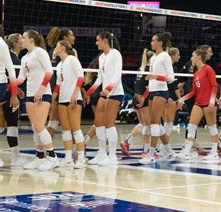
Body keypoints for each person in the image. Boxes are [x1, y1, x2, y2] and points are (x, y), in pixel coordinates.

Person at [18, 30, 58, 170]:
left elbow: (49, 71)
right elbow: (21, 78)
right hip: (30, 94)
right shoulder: (24, 58)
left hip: (42, 93)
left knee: (40, 126)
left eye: (23, 37)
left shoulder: (40, 52)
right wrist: (9, 84)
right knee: (35, 127)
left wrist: (41, 89)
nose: (21, 40)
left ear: (31, 39)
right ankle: (40, 157)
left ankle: (52, 157)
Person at [85, 32, 124, 166]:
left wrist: (108, 88)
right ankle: (101, 153)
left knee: (109, 123)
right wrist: (89, 91)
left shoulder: (116, 54)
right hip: (105, 93)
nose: (96, 43)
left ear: (105, 41)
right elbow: (100, 78)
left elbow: (118, 75)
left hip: (115, 93)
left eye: (98, 40)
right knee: (99, 122)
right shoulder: (102, 57)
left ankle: (112, 156)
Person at [139, 32, 175, 164]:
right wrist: (144, 95)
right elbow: (151, 79)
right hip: (152, 91)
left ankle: (151, 154)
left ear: (160, 43)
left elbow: (171, 78)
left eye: (153, 41)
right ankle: (169, 151)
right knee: (157, 125)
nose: (151, 43)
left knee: (154, 123)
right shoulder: (153, 57)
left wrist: (157, 77)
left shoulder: (165, 56)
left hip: (161, 91)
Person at [177, 49, 219, 160]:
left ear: (199, 57)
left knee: (212, 127)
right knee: (191, 126)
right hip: (198, 102)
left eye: (193, 56)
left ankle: (214, 152)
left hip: (209, 103)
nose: (191, 58)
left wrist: (211, 101)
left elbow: (214, 86)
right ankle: (186, 151)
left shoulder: (208, 69)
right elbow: (194, 92)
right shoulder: (195, 73)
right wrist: (182, 99)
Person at [53, 40, 86, 168]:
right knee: (65, 130)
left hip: (74, 99)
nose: (54, 48)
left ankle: (81, 158)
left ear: (62, 48)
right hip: (62, 99)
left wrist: (75, 94)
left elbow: (81, 77)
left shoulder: (72, 59)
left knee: (76, 129)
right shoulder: (59, 65)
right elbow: (58, 85)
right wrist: (52, 99)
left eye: (56, 46)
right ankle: (68, 159)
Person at [120, 49, 154, 156]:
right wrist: (143, 98)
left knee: (143, 124)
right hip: (143, 99)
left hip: (136, 98)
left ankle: (127, 141)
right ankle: (146, 150)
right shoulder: (150, 69)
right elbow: (149, 87)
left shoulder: (141, 68)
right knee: (147, 126)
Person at [2, 34, 26, 167]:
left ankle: (15, 158)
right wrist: (14, 94)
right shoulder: (14, 59)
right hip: (8, 94)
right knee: (11, 124)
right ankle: (15, 158)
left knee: (9, 124)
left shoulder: (14, 57)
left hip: (8, 91)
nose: (23, 40)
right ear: (16, 43)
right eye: (21, 38)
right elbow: (8, 77)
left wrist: (16, 90)